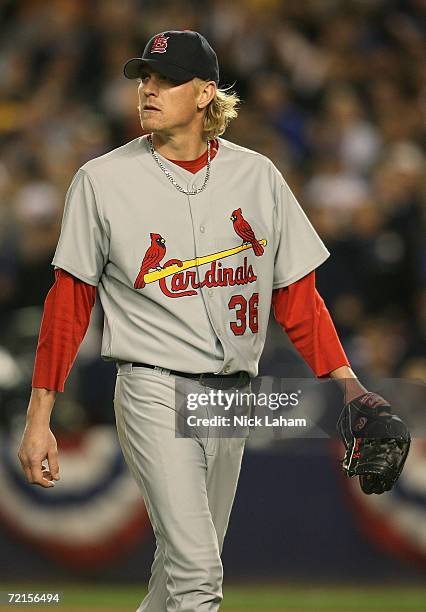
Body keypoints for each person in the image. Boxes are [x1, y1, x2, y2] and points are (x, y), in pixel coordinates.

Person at [17, 30, 391, 611]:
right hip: (152, 386)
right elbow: (67, 304)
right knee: (198, 576)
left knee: (175, 578)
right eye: (143, 77)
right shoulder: (102, 181)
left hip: (230, 398)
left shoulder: (257, 176)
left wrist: (348, 385)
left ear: (205, 93)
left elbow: (297, 298)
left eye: (165, 79)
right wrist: (40, 415)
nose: (148, 89)